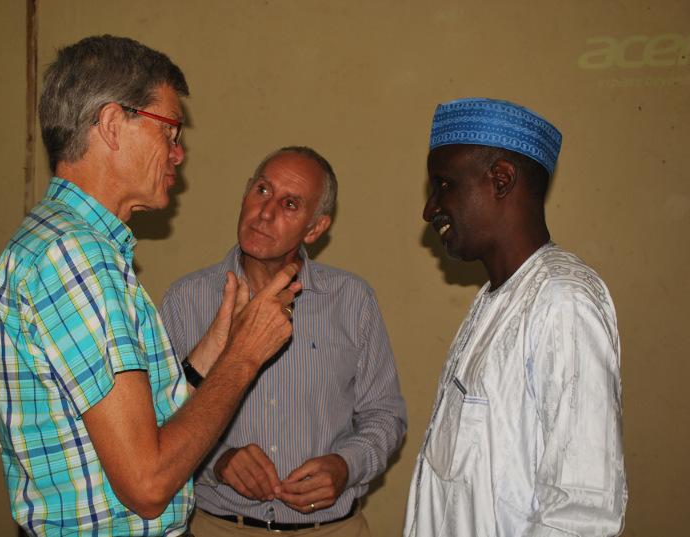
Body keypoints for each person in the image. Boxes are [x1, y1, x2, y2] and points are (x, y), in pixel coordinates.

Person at [0, 35, 301, 536]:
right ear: (113, 125)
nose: (178, 154)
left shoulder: (72, 243)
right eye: (170, 132)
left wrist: (217, 349)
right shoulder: (74, 256)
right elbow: (148, 484)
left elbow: (141, 423)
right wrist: (245, 356)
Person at [403, 98, 627, 537]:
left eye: (444, 184)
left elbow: (581, 512)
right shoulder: (496, 299)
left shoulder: (563, 302)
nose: (430, 209)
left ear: (501, 180)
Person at [159, 146, 407, 535]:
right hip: (221, 527)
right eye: (261, 191)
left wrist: (346, 466)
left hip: (332, 528)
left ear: (314, 229)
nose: (266, 212)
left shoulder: (351, 300)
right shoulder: (185, 300)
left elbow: (385, 415)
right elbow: (159, 418)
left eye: (290, 204)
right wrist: (218, 461)